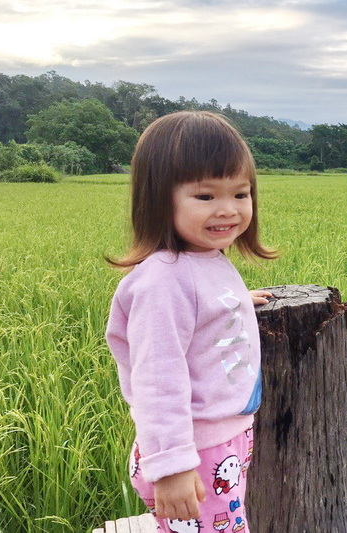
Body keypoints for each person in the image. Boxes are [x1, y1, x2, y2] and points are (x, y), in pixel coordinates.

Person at [105, 110, 277, 533]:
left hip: (222, 439)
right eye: (205, 197)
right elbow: (157, 379)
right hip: (190, 452)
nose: (229, 210)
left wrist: (232, 303)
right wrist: (172, 466)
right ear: (159, 198)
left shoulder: (203, 259)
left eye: (240, 194)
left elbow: (201, 305)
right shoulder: (162, 281)